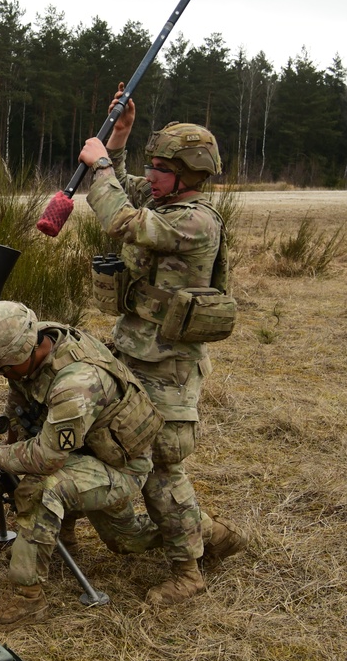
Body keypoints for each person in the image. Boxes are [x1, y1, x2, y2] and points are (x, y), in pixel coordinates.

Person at [78, 93, 243, 604]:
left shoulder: (194, 221)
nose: (150, 176)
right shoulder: (163, 200)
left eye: (161, 169)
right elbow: (124, 185)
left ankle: (188, 572)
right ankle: (212, 535)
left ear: (188, 175)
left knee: (162, 468)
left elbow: (120, 219)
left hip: (169, 366)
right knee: (115, 447)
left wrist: (99, 165)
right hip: (133, 356)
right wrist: (119, 136)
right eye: (151, 165)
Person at [0, 300, 163, 625]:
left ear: (23, 354)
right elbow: (20, 400)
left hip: (120, 467)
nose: (3, 376)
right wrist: (11, 444)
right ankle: (56, 539)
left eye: (3, 369)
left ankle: (27, 600)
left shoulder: (76, 383)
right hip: (87, 453)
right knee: (122, 537)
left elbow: (47, 457)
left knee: (44, 491)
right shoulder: (34, 340)